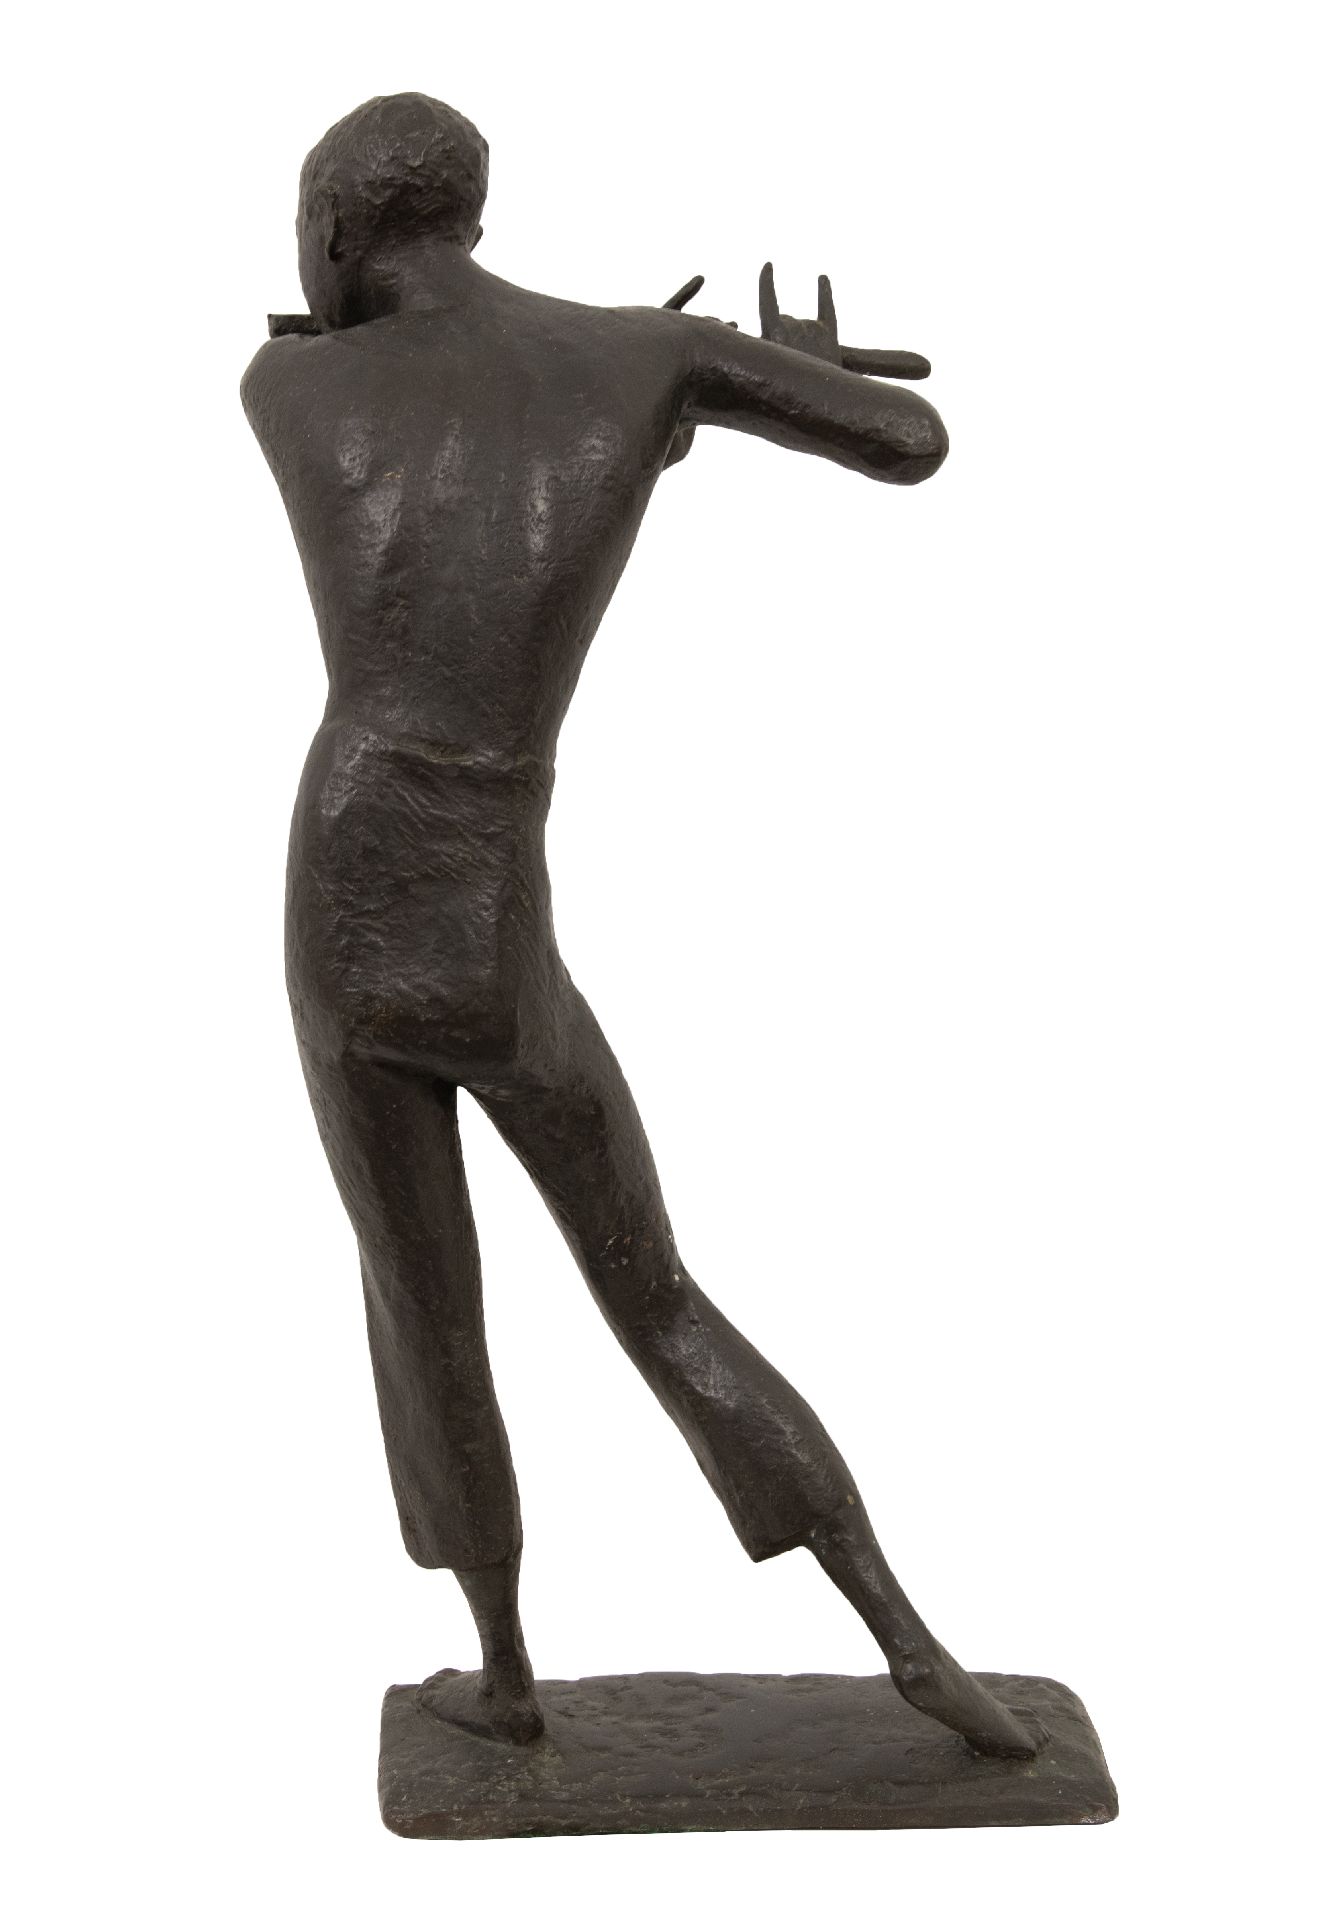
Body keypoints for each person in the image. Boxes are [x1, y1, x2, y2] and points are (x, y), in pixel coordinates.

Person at [242, 92, 1042, 1759]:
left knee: (422, 1302)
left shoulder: (283, 383)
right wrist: (733, 376)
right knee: (655, 1292)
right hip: (488, 896)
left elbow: (402, 414)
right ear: (473, 211)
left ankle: (506, 1670)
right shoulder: (634, 359)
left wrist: (654, 397)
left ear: (332, 228)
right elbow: (910, 442)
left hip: (347, 886)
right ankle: (905, 1638)